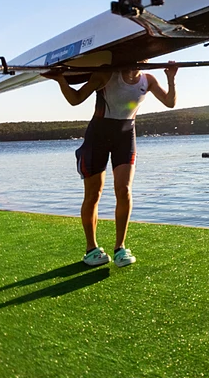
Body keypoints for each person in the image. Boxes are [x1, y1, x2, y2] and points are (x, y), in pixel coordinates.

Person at [46, 64, 177, 267]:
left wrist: (171, 78)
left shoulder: (148, 80)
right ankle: (91, 249)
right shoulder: (105, 75)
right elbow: (75, 99)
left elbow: (170, 102)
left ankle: (120, 248)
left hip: (125, 137)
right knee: (93, 195)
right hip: (97, 137)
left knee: (124, 190)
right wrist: (61, 79)